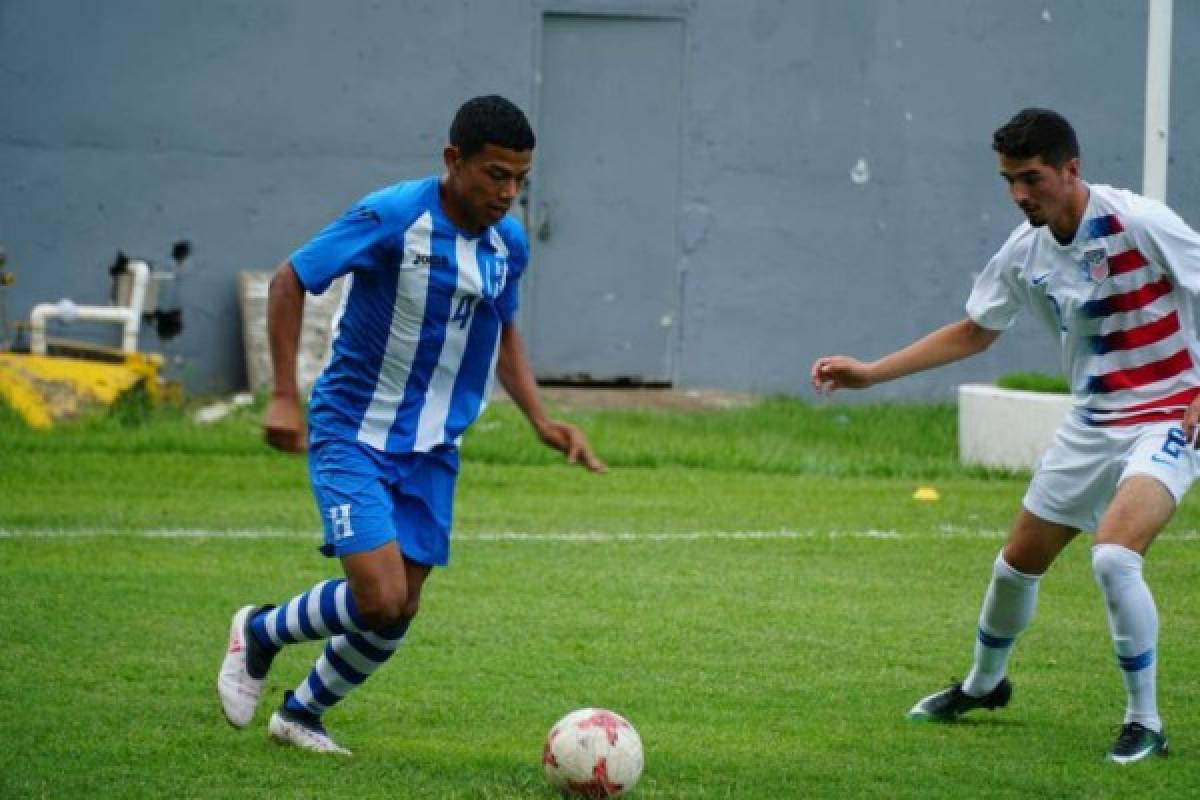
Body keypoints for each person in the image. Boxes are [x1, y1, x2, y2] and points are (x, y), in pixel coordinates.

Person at [218, 94, 606, 755]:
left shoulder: (505, 243)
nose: (508, 193)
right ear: (453, 160)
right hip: (351, 430)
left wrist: (542, 419)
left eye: (520, 179)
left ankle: (302, 714)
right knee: (378, 597)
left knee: (402, 609)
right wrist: (283, 395)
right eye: (495, 174)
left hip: (432, 448)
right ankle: (258, 632)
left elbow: (501, 329)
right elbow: (290, 281)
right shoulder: (393, 216)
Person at [811, 108, 1200, 764]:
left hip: (1168, 415)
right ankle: (984, 685)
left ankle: (1146, 722)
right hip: (1091, 423)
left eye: (1032, 178)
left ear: (1071, 170)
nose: (1020, 194)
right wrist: (871, 374)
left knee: (1112, 557)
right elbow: (975, 330)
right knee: (1017, 564)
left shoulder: (1139, 222)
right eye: (1009, 181)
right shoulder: (1026, 252)